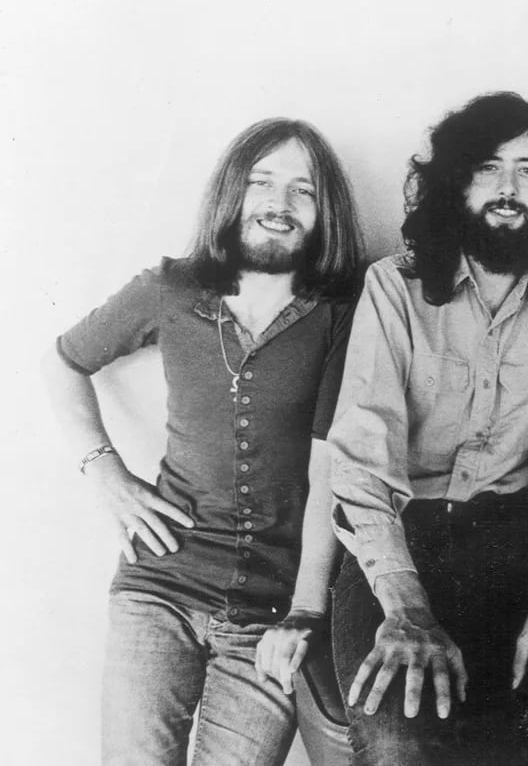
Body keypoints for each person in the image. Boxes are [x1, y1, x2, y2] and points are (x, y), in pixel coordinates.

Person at [43, 118, 364, 764]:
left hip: (270, 613)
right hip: (157, 588)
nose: (279, 203)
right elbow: (64, 361)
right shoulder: (171, 289)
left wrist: (304, 612)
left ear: (324, 211)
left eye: (302, 190)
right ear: (231, 193)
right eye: (261, 182)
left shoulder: (341, 316)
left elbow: (329, 469)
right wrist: (105, 471)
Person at [324, 91, 528, 765]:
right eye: (488, 167)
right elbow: (362, 461)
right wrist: (405, 607)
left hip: (510, 548)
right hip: (397, 546)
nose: (508, 187)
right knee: (401, 741)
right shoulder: (393, 287)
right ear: (455, 183)